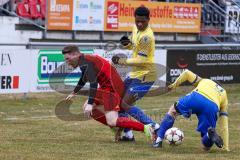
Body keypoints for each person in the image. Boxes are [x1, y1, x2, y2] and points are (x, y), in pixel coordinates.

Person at [62, 45, 155, 140]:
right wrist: (74, 92)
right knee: (87, 108)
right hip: (106, 87)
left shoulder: (85, 62)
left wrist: (91, 103)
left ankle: (146, 128)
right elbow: (84, 78)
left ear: (75, 54)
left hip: (111, 89)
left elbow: (93, 83)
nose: (67, 62)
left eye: (68, 59)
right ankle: (118, 128)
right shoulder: (84, 60)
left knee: (112, 121)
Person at [152, 69, 229, 151]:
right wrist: (226, 147)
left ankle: (158, 141)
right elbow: (224, 124)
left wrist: (173, 86)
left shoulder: (206, 81)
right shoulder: (224, 94)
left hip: (196, 97)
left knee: (173, 111)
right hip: (212, 107)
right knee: (206, 146)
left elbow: (186, 73)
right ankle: (209, 135)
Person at [112, 6, 158, 141]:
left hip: (146, 75)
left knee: (126, 104)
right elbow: (134, 45)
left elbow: (141, 59)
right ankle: (128, 134)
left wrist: (122, 61)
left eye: (143, 22)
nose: (139, 24)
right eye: (137, 21)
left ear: (149, 19)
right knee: (119, 102)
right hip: (135, 74)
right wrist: (127, 44)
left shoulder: (147, 37)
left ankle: (155, 127)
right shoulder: (136, 28)